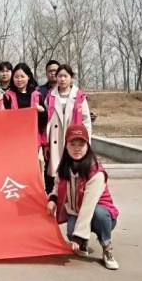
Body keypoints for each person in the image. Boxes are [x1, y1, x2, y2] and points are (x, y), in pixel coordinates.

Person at [47, 124, 119, 270]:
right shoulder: (64, 168)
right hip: (77, 212)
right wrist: (52, 199)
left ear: (88, 146)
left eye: (81, 144)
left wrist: (78, 236)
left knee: (99, 214)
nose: (77, 149)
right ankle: (84, 242)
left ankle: (107, 247)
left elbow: (88, 207)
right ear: (66, 146)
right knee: (71, 232)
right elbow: (56, 186)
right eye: (72, 144)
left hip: (101, 215)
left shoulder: (96, 173)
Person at [44, 64, 92, 194]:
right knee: (56, 171)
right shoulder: (50, 96)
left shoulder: (79, 96)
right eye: (60, 76)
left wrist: (87, 141)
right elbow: (46, 120)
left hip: (73, 137)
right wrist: (46, 143)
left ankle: (72, 196)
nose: (62, 79)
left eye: (65, 76)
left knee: (73, 169)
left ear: (71, 77)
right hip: (55, 138)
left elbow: (86, 120)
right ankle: (55, 196)